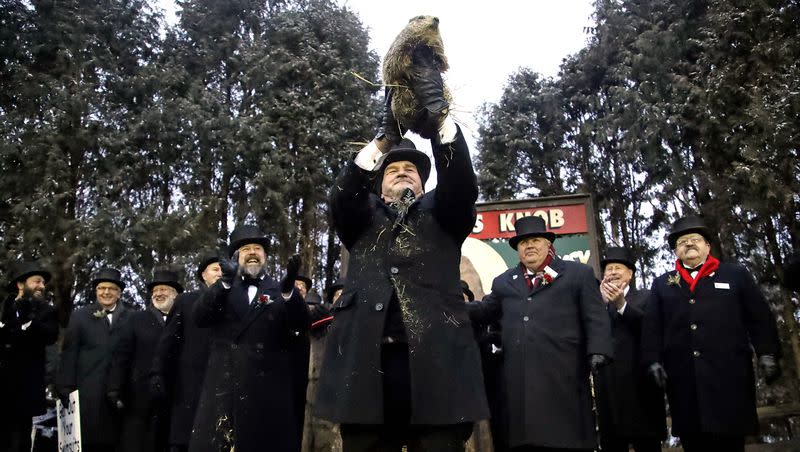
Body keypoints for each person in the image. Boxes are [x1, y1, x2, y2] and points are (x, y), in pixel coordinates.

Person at [315, 49, 488, 452]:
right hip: (367, 371)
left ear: (425, 184)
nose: (403, 171)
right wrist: (383, 141)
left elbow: (461, 184)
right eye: (392, 170)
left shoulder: (444, 214)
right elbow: (340, 200)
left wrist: (441, 118)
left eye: (412, 169)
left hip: (437, 369)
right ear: (378, 184)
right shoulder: (361, 219)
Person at [468, 216, 613, 451]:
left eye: (535, 240)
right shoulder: (504, 282)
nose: (529, 246)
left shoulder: (578, 274)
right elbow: (485, 310)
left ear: (548, 244)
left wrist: (598, 350)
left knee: (566, 439)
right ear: (517, 249)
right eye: (523, 243)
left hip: (564, 375)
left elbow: (595, 317)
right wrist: (452, 306)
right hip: (520, 382)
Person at [641, 215, 781, 452]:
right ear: (675, 251)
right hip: (685, 383)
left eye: (695, 239)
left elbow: (758, 317)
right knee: (694, 442)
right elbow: (652, 327)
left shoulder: (735, 275)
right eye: (682, 241)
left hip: (729, 379)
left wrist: (767, 353)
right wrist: (653, 360)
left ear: (707, 245)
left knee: (731, 443)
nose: (689, 244)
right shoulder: (662, 284)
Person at [189, 225, 308, 452]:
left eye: (258, 248)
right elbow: (199, 317)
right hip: (226, 389)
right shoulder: (223, 288)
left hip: (268, 393)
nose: (253, 252)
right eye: (246, 249)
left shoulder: (279, 289)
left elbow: (301, 325)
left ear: (265, 256)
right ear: (236, 257)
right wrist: (223, 284)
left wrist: (289, 293)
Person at [593, 247, 666, 452]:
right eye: (609, 268)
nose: (613, 272)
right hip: (608, 385)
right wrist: (600, 304)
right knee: (612, 442)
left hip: (640, 384)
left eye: (618, 268)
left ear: (630, 274)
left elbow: (649, 328)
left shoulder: (646, 296)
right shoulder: (596, 303)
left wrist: (621, 304)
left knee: (646, 441)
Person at [107, 268, 183, 452]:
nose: (158, 294)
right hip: (139, 398)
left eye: (163, 289)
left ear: (175, 293)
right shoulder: (136, 319)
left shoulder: (184, 319)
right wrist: (114, 388)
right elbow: (122, 355)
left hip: (175, 397)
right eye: (155, 291)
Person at [57, 267, 132, 452]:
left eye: (111, 288)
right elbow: (69, 353)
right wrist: (65, 387)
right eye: (101, 288)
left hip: (119, 396)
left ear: (119, 292)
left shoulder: (132, 317)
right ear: (96, 291)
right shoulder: (80, 316)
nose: (106, 292)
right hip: (87, 393)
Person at [151, 253, 220, 452]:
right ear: (203, 275)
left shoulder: (237, 301)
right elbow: (168, 341)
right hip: (189, 387)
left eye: (224, 270)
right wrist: (157, 372)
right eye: (215, 269)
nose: (220, 273)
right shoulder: (186, 301)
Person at [0, 261, 59, 452]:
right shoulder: (4, 308)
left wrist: (29, 321)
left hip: (25, 391)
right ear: (21, 284)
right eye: (37, 281)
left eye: (43, 282)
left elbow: (50, 336)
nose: (42, 286)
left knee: (19, 440)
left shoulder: (45, 311)